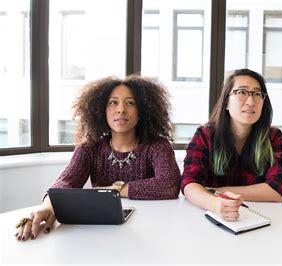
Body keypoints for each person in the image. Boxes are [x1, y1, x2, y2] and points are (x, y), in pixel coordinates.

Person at [15, 75, 181, 241]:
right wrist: (48, 206)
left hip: (149, 231)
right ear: (101, 110)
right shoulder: (89, 148)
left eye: (130, 103)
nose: (121, 109)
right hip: (101, 232)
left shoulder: (158, 146)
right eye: (113, 102)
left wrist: (112, 190)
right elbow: (66, 182)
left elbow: (169, 184)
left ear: (142, 111)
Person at [181, 69, 282, 221]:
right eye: (241, 92)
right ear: (226, 102)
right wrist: (215, 204)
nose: (251, 102)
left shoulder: (273, 137)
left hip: (258, 218)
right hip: (210, 217)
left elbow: (278, 190)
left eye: (257, 94)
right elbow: (189, 184)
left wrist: (219, 192)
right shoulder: (205, 135)